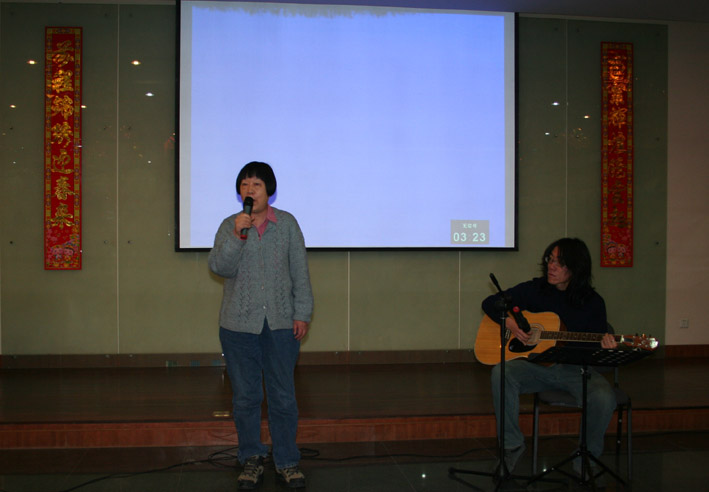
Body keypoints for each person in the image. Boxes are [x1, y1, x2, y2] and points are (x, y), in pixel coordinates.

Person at [208, 161, 313, 490]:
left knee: (283, 396)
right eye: (244, 185)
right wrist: (237, 236)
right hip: (238, 326)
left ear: (269, 190)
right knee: (246, 397)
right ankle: (251, 458)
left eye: (256, 184)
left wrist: (302, 313)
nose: (249, 190)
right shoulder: (230, 225)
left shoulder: (287, 224)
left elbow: (300, 272)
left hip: (281, 324)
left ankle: (286, 460)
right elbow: (219, 267)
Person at [481, 237, 617, 480]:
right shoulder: (536, 289)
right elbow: (490, 302)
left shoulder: (593, 303)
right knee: (501, 373)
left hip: (575, 370)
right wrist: (510, 323)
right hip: (537, 368)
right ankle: (512, 445)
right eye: (550, 260)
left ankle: (586, 457)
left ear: (576, 268)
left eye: (559, 263)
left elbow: (595, 352)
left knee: (604, 396)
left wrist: (605, 347)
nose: (551, 267)